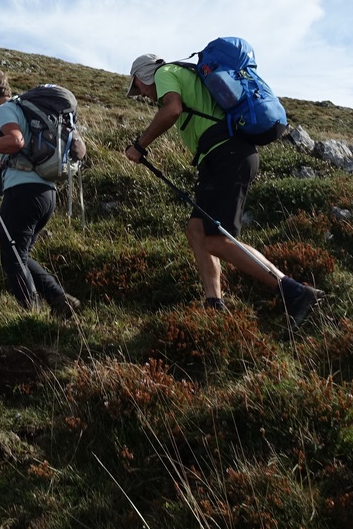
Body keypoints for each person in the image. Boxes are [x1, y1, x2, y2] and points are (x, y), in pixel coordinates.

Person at [122, 52, 322, 325]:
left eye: (138, 87)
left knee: (217, 239)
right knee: (196, 230)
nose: (142, 94)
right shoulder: (185, 75)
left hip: (226, 156)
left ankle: (293, 291)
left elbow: (172, 110)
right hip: (220, 158)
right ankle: (214, 303)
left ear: (143, 75)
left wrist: (140, 145)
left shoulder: (164, 73)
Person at [0, 70, 80, 319]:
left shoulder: (6, 109)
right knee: (20, 256)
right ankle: (60, 300)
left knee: (12, 261)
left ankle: (31, 316)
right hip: (46, 194)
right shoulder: (23, 109)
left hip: (23, 193)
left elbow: (16, 141)